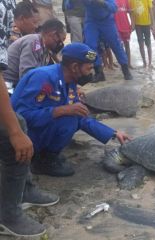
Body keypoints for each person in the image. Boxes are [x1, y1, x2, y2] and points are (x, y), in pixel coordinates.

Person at [11, 43, 131, 177]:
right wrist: (60, 110)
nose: (91, 73)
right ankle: (41, 161)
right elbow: (20, 116)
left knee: (74, 115)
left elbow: (82, 117)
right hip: (19, 136)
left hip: (38, 129)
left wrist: (113, 133)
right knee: (69, 119)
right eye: (88, 68)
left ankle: (47, 155)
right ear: (74, 67)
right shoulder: (44, 77)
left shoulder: (70, 82)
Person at [0, 6, 59, 236]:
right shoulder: (34, 40)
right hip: (13, 89)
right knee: (13, 134)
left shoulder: (38, 43)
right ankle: (8, 214)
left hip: (10, 88)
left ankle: (25, 190)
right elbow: (28, 76)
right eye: (34, 23)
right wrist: (14, 131)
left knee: (20, 124)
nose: (36, 26)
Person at [4, 18, 66, 87]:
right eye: (60, 40)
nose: (60, 44)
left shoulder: (44, 48)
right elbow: (27, 75)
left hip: (14, 84)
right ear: (53, 34)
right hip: (7, 86)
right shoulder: (34, 42)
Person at [83, 0, 133, 81]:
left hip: (107, 21)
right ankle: (98, 71)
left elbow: (114, 8)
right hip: (91, 21)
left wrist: (102, 3)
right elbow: (69, 5)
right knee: (89, 46)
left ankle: (125, 70)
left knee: (116, 45)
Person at [130, 0, 154, 67]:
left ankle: (150, 62)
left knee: (148, 43)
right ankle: (144, 62)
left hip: (147, 23)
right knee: (141, 44)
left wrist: (153, 24)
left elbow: (150, 10)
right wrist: (133, 24)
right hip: (138, 25)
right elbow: (131, 13)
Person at [114, 0, 133, 68]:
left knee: (127, 45)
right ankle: (123, 63)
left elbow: (130, 11)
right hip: (116, 26)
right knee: (119, 46)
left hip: (126, 25)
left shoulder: (126, 0)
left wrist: (132, 23)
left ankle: (129, 63)